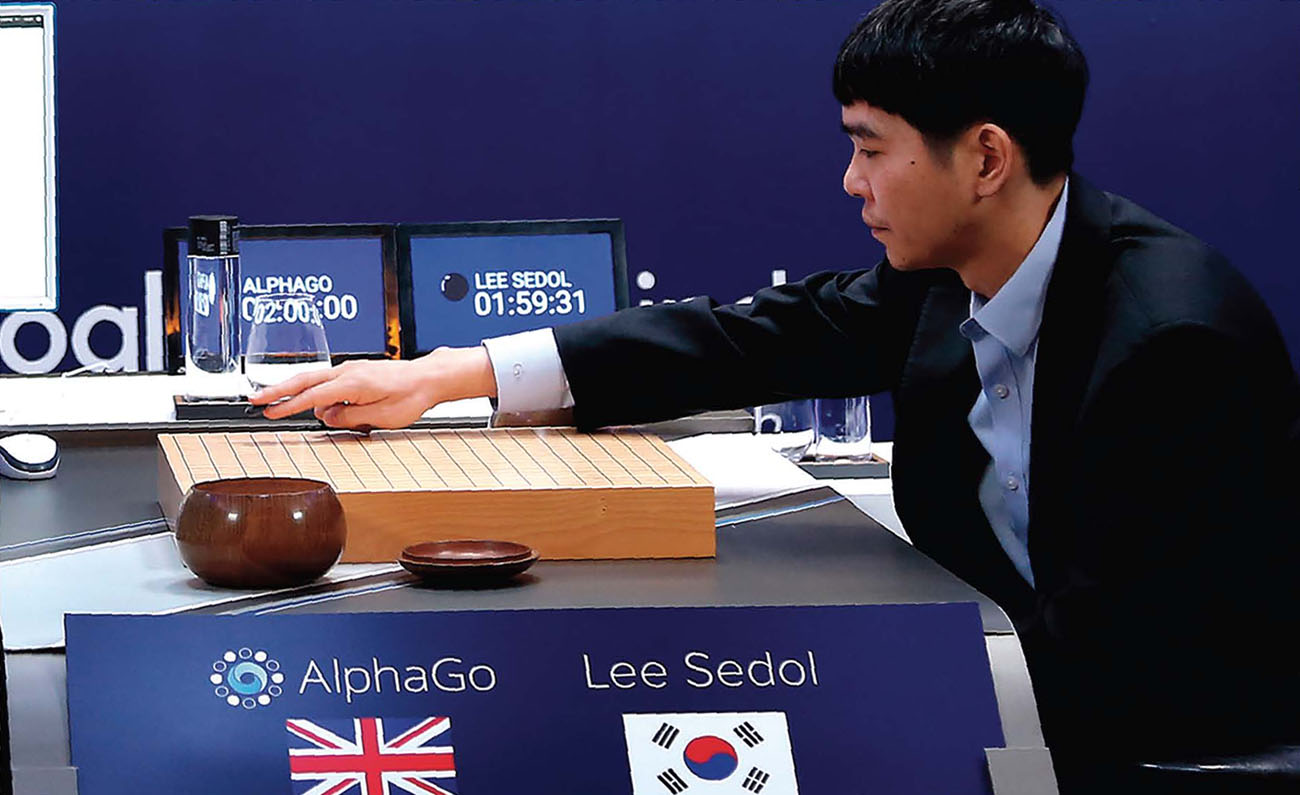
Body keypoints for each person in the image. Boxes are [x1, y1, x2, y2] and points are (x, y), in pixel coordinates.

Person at [253, 0, 1300, 789]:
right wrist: (448, 373)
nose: (851, 183)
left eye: (868, 148)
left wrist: (816, 685)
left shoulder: (1170, 346)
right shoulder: (948, 274)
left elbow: (1142, 672)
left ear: (983, 157)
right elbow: (752, 338)